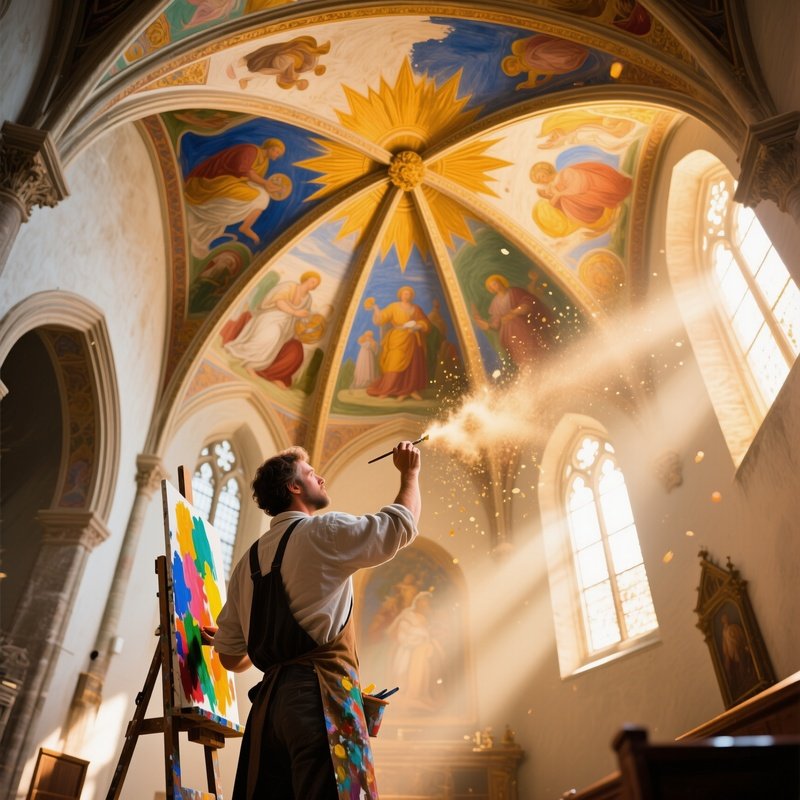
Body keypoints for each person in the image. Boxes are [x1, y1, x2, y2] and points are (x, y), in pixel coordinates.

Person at [206, 441, 421, 799]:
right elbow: (399, 527)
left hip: (268, 714)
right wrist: (409, 474)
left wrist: (254, 635)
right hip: (318, 700)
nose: (319, 477)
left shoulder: (247, 562)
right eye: (310, 473)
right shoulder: (324, 531)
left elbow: (231, 658)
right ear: (294, 487)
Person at [184, 138, 290, 257]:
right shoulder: (251, 150)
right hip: (220, 179)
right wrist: (266, 183)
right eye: (276, 152)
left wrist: (273, 188)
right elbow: (244, 171)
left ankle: (245, 226)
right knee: (261, 196)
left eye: (278, 154)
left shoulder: (265, 161)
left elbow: (255, 182)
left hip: (238, 182)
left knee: (264, 196)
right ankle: (244, 226)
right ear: (270, 147)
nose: (276, 156)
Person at [222, 271, 321, 388]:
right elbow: (279, 301)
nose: (313, 285)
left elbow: (302, 317)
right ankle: (250, 363)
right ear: (306, 279)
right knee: (272, 334)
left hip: (287, 326)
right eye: (313, 281)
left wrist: (306, 322)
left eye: (316, 284)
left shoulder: (308, 299)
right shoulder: (290, 286)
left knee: (277, 339)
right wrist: (295, 312)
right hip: (272, 316)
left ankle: (254, 366)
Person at [472, 274, 551, 368]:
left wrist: (514, 312)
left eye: (495, 283)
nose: (495, 286)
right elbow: (496, 323)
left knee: (531, 346)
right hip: (507, 334)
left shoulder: (515, 292)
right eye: (492, 286)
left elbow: (528, 302)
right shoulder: (495, 302)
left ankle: (541, 363)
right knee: (520, 354)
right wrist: (488, 326)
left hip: (521, 326)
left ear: (501, 282)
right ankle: (526, 367)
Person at [367, 286, 431, 401]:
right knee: (393, 363)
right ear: (400, 295)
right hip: (397, 337)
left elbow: (425, 322)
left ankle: (410, 390)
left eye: (409, 294)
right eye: (405, 294)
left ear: (412, 296)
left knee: (412, 366)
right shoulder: (394, 307)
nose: (407, 296)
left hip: (412, 339)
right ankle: (387, 389)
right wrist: (376, 309)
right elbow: (381, 318)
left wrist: (419, 325)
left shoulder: (416, 308)